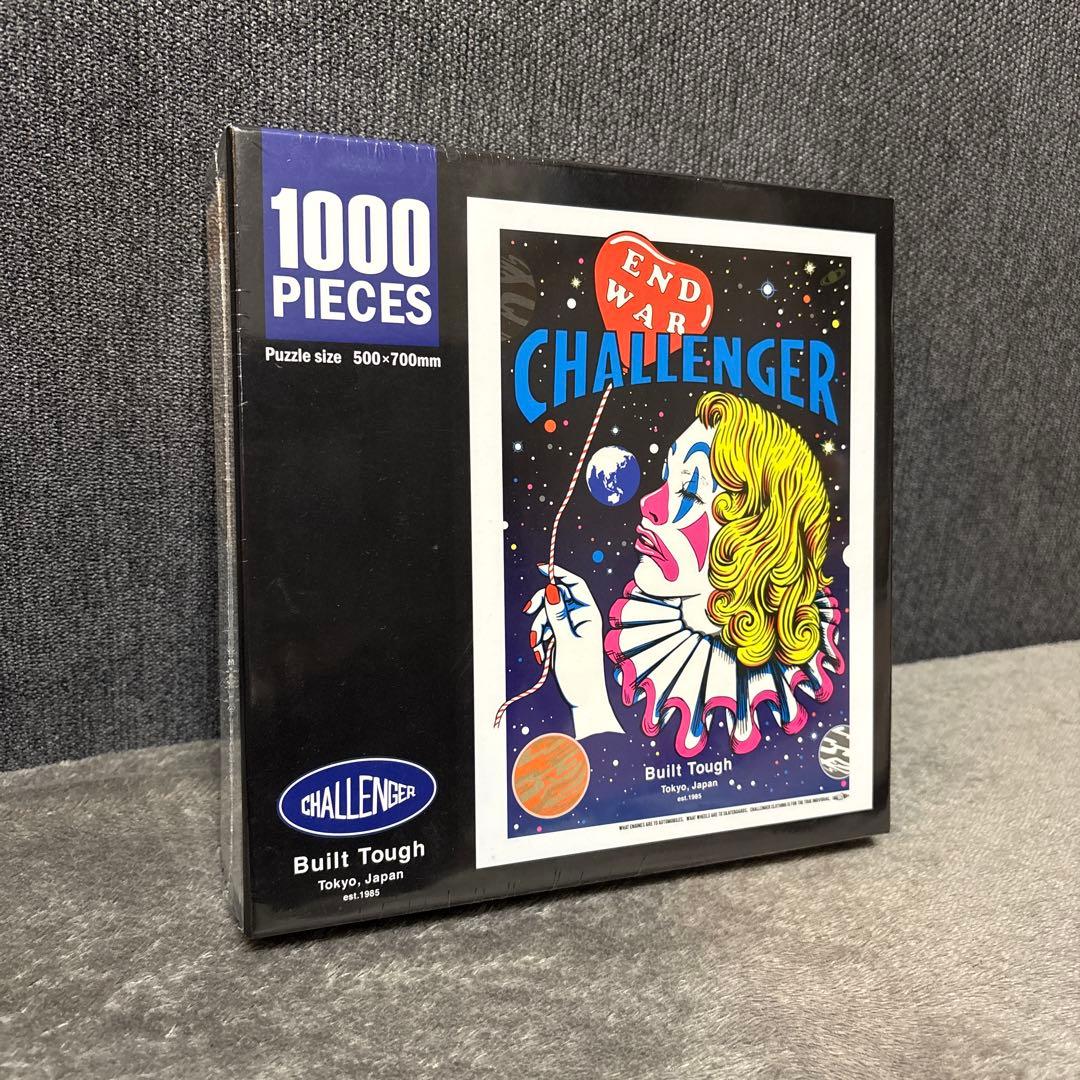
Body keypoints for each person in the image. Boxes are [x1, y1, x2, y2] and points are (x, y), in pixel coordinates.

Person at [523, 391, 844, 757]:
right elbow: (618, 784)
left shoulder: (783, 695)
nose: (650, 504)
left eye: (690, 492)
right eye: (666, 478)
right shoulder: (652, 631)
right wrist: (588, 698)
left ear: (764, 536)